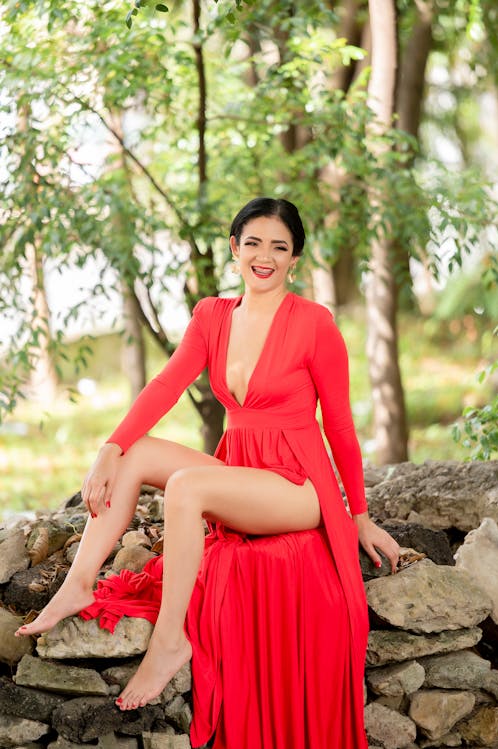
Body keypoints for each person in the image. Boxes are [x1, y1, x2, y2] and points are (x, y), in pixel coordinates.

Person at [16, 197, 400, 748]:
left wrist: (358, 517)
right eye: (253, 243)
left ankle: (169, 641)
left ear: (295, 259)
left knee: (187, 484)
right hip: (242, 471)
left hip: (297, 486)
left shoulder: (314, 323)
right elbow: (166, 386)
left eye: (279, 247)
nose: (263, 256)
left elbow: (338, 425)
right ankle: (78, 583)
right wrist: (109, 446)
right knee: (139, 452)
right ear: (233, 247)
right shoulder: (213, 316)